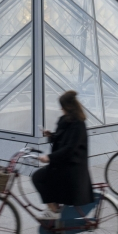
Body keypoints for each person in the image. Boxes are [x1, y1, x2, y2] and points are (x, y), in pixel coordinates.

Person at [32, 90, 94, 220]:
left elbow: (70, 148)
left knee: (38, 177)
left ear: (68, 107)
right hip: (65, 164)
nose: (60, 109)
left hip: (72, 168)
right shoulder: (66, 120)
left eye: (62, 106)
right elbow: (63, 139)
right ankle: (54, 208)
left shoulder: (78, 125)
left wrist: (49, 157)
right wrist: (52, 135)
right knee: (44, 176)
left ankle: (54, 210)